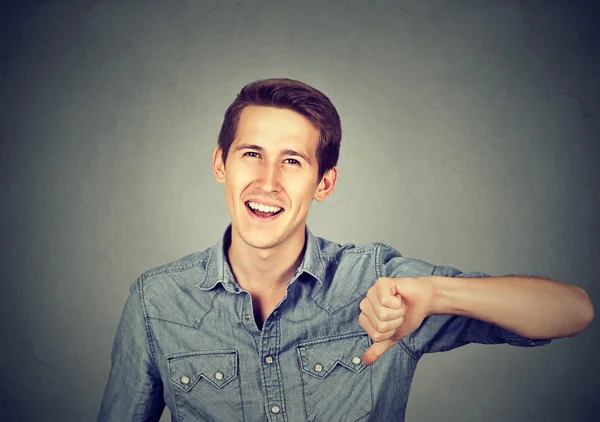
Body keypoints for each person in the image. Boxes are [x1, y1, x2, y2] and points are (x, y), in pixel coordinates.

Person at [97, 78, 594, 422]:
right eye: (252, 154)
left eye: (292, 161)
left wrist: (436, 293)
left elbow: (573, 311)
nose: (267, 182)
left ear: (325, 182)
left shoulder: (381, 283)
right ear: (221, 163)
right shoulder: (155, 301)